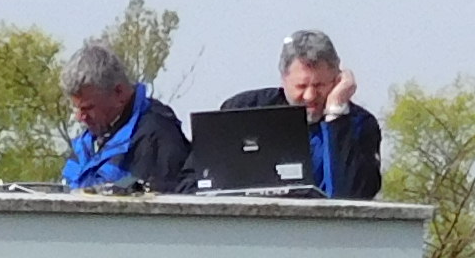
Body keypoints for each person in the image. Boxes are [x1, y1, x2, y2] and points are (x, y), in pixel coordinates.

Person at [218, 29, 384, 200]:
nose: (310, 96)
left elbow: (351, 197)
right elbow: (201, 180)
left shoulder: (359, 124)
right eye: (301, 87)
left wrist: (336, 115)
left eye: (319, 86)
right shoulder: (244, 111)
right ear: (284, 79)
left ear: (337, 79)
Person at [56, 40, 193, 192]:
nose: (80, 117)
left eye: (88, 108)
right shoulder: (88, 141)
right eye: (77, 108)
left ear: (119, 92)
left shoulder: (157, 136)